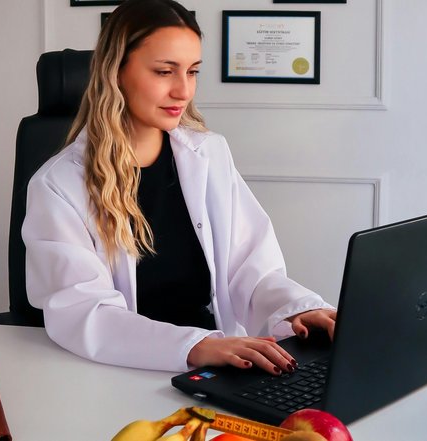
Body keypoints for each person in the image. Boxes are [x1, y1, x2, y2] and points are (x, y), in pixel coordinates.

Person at [22, 0, 336, 374]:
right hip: (124, 367)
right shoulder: (58, 185)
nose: (183, 91)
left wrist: (300, 307)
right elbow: (85, 312)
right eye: (164, 71)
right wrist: (196, 346)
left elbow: (251, 269)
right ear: (115, 72)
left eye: (192, 71)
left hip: (219, 359)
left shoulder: (209, 153)